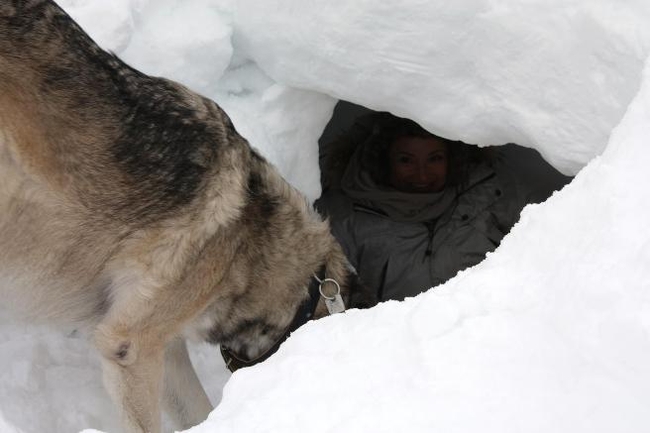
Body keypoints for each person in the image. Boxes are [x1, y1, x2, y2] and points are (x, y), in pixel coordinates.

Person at [317, 112, 531, 301]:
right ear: (384, 160)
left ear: (452, 158)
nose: (422, 175)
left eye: (434, 159)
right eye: (406, 160)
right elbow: (330, 301)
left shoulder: (493, 195)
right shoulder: (345, 219)